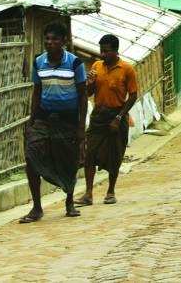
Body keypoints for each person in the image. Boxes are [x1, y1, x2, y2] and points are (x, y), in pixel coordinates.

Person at [20, 22, 88, 223]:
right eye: (47, 39)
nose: (50, 42)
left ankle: (69, 202)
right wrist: (32, 121)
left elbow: (83, 95)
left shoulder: (75, 63)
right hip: (44, 117)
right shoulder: (39, 62)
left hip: (68, 118)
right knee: (31, 157)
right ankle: (36, 207)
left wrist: (81, 127)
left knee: (69, 159)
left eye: (55, 39)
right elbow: (37, 92)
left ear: (63, 41)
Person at [76, 34, 138, 208]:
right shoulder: (97, 66)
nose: (103, 54)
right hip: (99, 116)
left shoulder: (127, 69)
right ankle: (88, 193)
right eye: (101, 51)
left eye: (106, 51)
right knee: (89, 154)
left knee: (115, 155)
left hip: (116, 115)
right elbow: (89, 93)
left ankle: (111, 191)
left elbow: (133, 95)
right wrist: (90, 83)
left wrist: (119, 117)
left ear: (116, 51)